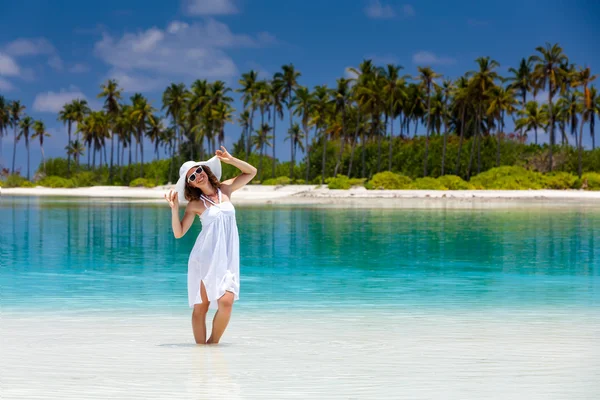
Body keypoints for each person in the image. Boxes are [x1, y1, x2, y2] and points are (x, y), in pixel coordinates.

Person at [164, 146, 257, 344]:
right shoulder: (195, 205)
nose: (197, 176)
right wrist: (174, 210)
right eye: (192, 177)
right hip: (204, 258)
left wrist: (231, 160)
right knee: (201, 307)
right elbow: (179, 233)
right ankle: (201, 354)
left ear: (205, 171)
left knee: (227, 302)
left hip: (227, 257)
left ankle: (212, 344)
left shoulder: (225, 189)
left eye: (199, 170)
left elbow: (251, 172)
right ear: (190, 185)